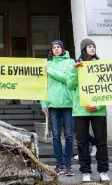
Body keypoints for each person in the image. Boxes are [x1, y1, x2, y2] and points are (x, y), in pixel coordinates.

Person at [71, 38, 110, 183]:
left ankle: (103, 170)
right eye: (89, 46)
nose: (92, 48)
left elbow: (107, 89)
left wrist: (97, 106)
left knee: (101, 142)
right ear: (83, 49)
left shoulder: (101, 65)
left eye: (94, 46)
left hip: (98, 110)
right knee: (82, 142)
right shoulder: (76, 65)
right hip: (80, 110)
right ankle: (85, 171)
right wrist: (75, 70)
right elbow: (70, 85)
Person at [40, 40, 75, 176]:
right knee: (55, 136)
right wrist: (44, 103)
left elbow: (68, 78)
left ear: (62, 48)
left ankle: (68, 164)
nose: (56, 49)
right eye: (53, 47)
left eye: (58, 47)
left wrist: (51, 71)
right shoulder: (47, 64)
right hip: (53, 104)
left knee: (69, 135)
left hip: (68, 103)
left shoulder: (70, 62)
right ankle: (59, 164)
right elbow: (43, 85)